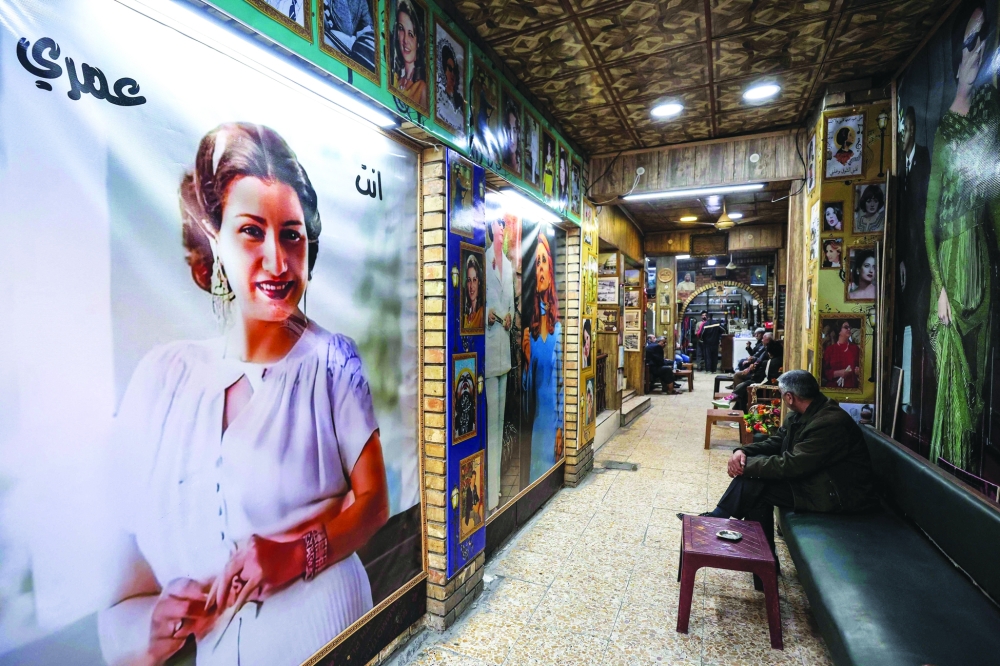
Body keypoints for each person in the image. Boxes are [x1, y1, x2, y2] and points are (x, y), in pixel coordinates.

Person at [99, 124, 390, 666]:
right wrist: (152, 628)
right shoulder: (163, 379)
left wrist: (295, 555)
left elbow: (374, 503)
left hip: (329, 638)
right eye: (252, 232)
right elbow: (124, 594)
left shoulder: (333, 361)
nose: (278, 262)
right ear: (215, 239)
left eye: (293, 235)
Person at [692, 370, 877, 573]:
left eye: (782, 393)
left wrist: (746, 465)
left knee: (756, 486)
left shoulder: (829, 423)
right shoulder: (804, 413)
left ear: (790, 397)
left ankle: (746, 547)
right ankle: (761, 562)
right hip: (818, 480)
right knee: (756, 488)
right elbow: (777, 441)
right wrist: (742, 450)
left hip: (839, 494)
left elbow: (792, 465)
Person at [923, 4, 999, 470]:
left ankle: (970, 470)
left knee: (981, 372)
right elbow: (929, 219)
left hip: (980, 265)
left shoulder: (990, 114)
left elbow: (993, 197)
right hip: (949, 267)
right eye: (970, 41)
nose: (978, 48)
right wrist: (942, 287)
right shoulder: (943, 134)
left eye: (983, 38)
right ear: (956, 56)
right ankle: (948, 469)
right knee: (954, 375)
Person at [522, 233, 563, 482]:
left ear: (550, 267)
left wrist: (561, 427)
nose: (539, 268)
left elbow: (562, 385)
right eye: (536, 263)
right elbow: (526, 397)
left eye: (543, 261)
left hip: (554, 423)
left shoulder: (560, 330)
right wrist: (527, 362)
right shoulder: (531, 332)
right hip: (537, 424)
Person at [485, 215, 514, 512]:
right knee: (489, 428)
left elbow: (513, 308)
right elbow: (472, 302)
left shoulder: (508, 267)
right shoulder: (480, 263)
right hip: (487, 356)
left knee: (499, 425)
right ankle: (489, 494)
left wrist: (509, 317)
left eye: (504, 228)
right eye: (497, 227)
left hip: (503, 355)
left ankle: (496, 492)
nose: (501, 232)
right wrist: (487, 314)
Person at [391, 0, 427, 110]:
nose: (405, 40)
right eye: (401, 29)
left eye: (411, 34)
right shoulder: (395, 79)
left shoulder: (422, 89)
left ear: (418, 42)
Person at [322, 0, 377, 72]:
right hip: (327, 46)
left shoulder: (361, 2)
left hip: (347, 47)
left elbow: (369, 28)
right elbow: (346, 28)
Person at [732, 339, 782, 412]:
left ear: (769, 353)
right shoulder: (780, 360)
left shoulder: (768, 363)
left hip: (766, 390)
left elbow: (757, 378)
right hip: (775, 389)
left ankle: (740, 414)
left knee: (746, 387)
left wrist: (753, 371)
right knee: (745, 384)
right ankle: (732, 400)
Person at [822, 320, 861, 389]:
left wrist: (858, 371)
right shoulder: (830, 350)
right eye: (846, 327)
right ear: (839, 331)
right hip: (833, 388)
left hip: (852, 389)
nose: (849, 329)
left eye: (849, 327)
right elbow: (824, 372)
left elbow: (861, 367)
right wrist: (838, 373)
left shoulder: (855, 349)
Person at [438, 42, 464, 120]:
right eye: (449, 69)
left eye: (454, 71)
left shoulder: (459, 100)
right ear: (443, 70)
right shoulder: (439, 95)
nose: (452, 74)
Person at [463, 252, 484, 330]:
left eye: (474, 280)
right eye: (469, 280)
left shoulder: (481, 313)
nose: (471, 286)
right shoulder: (465, 316)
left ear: (479, 282)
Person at [503, 97, 521, 173]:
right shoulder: (500, 164)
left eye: (514, 130)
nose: (511, 136)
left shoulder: (523, 169)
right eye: (508, 129)